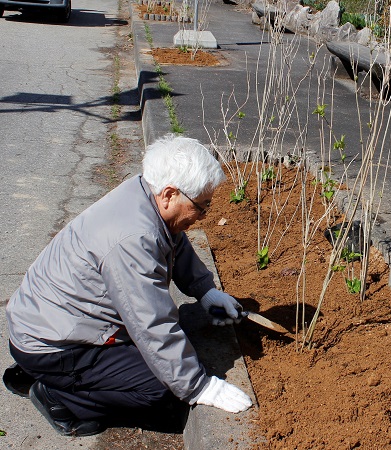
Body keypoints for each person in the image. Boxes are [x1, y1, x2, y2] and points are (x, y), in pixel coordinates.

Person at [6, 134, 252, 437]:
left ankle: (52, 375)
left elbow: (173, 239)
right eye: (201, 206)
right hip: (52, 344)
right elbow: (151, 323)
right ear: (169, 194)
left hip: (50, 323)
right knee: (160, 391)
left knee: (164, 365)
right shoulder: (133, 239)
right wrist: (199, 386)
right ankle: (57, 395)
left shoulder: (143, 192)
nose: (203, 215)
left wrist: (205, 290)